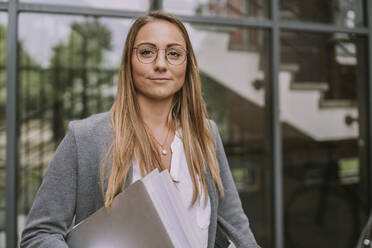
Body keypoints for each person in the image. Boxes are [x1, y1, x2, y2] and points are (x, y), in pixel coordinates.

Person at [20, 11, 260, 248]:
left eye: (174, 53)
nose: (160, 64)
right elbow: (39, 234)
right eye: (147, 52)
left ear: (187, 65)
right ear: (128, 62)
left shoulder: (206, 134)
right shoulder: (85, 138)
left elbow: (239, 233)